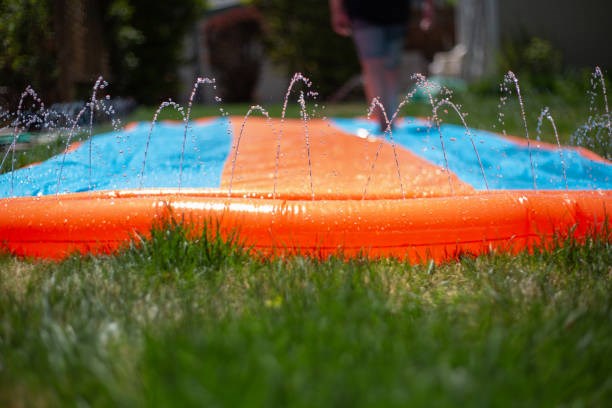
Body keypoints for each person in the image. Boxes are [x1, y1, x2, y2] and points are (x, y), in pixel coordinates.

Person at [329, 0, 434, 132]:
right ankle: (386, 120)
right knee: (383, 68)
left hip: (382, 13)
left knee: (379, 68)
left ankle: (386, 121)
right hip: (382, 12)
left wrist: (337, 11)